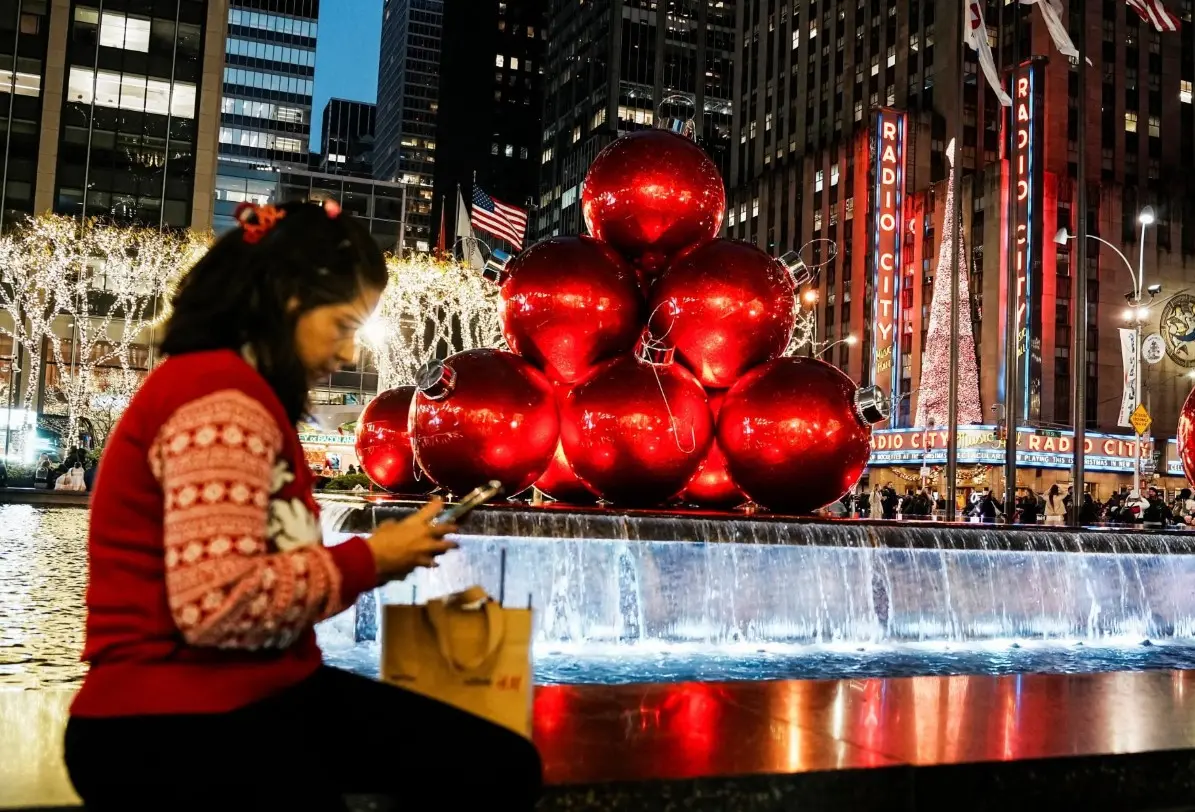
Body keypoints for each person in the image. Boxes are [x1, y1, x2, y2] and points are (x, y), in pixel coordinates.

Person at [63, 201, 542, 811]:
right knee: (491, 769)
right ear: (288, 300)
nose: (347, 354)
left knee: (493, 763)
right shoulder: (219, 401)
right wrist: (370, 560)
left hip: (250, 696)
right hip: (176, 720)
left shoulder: (239, 393)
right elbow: (219, 604)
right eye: (342, 326)